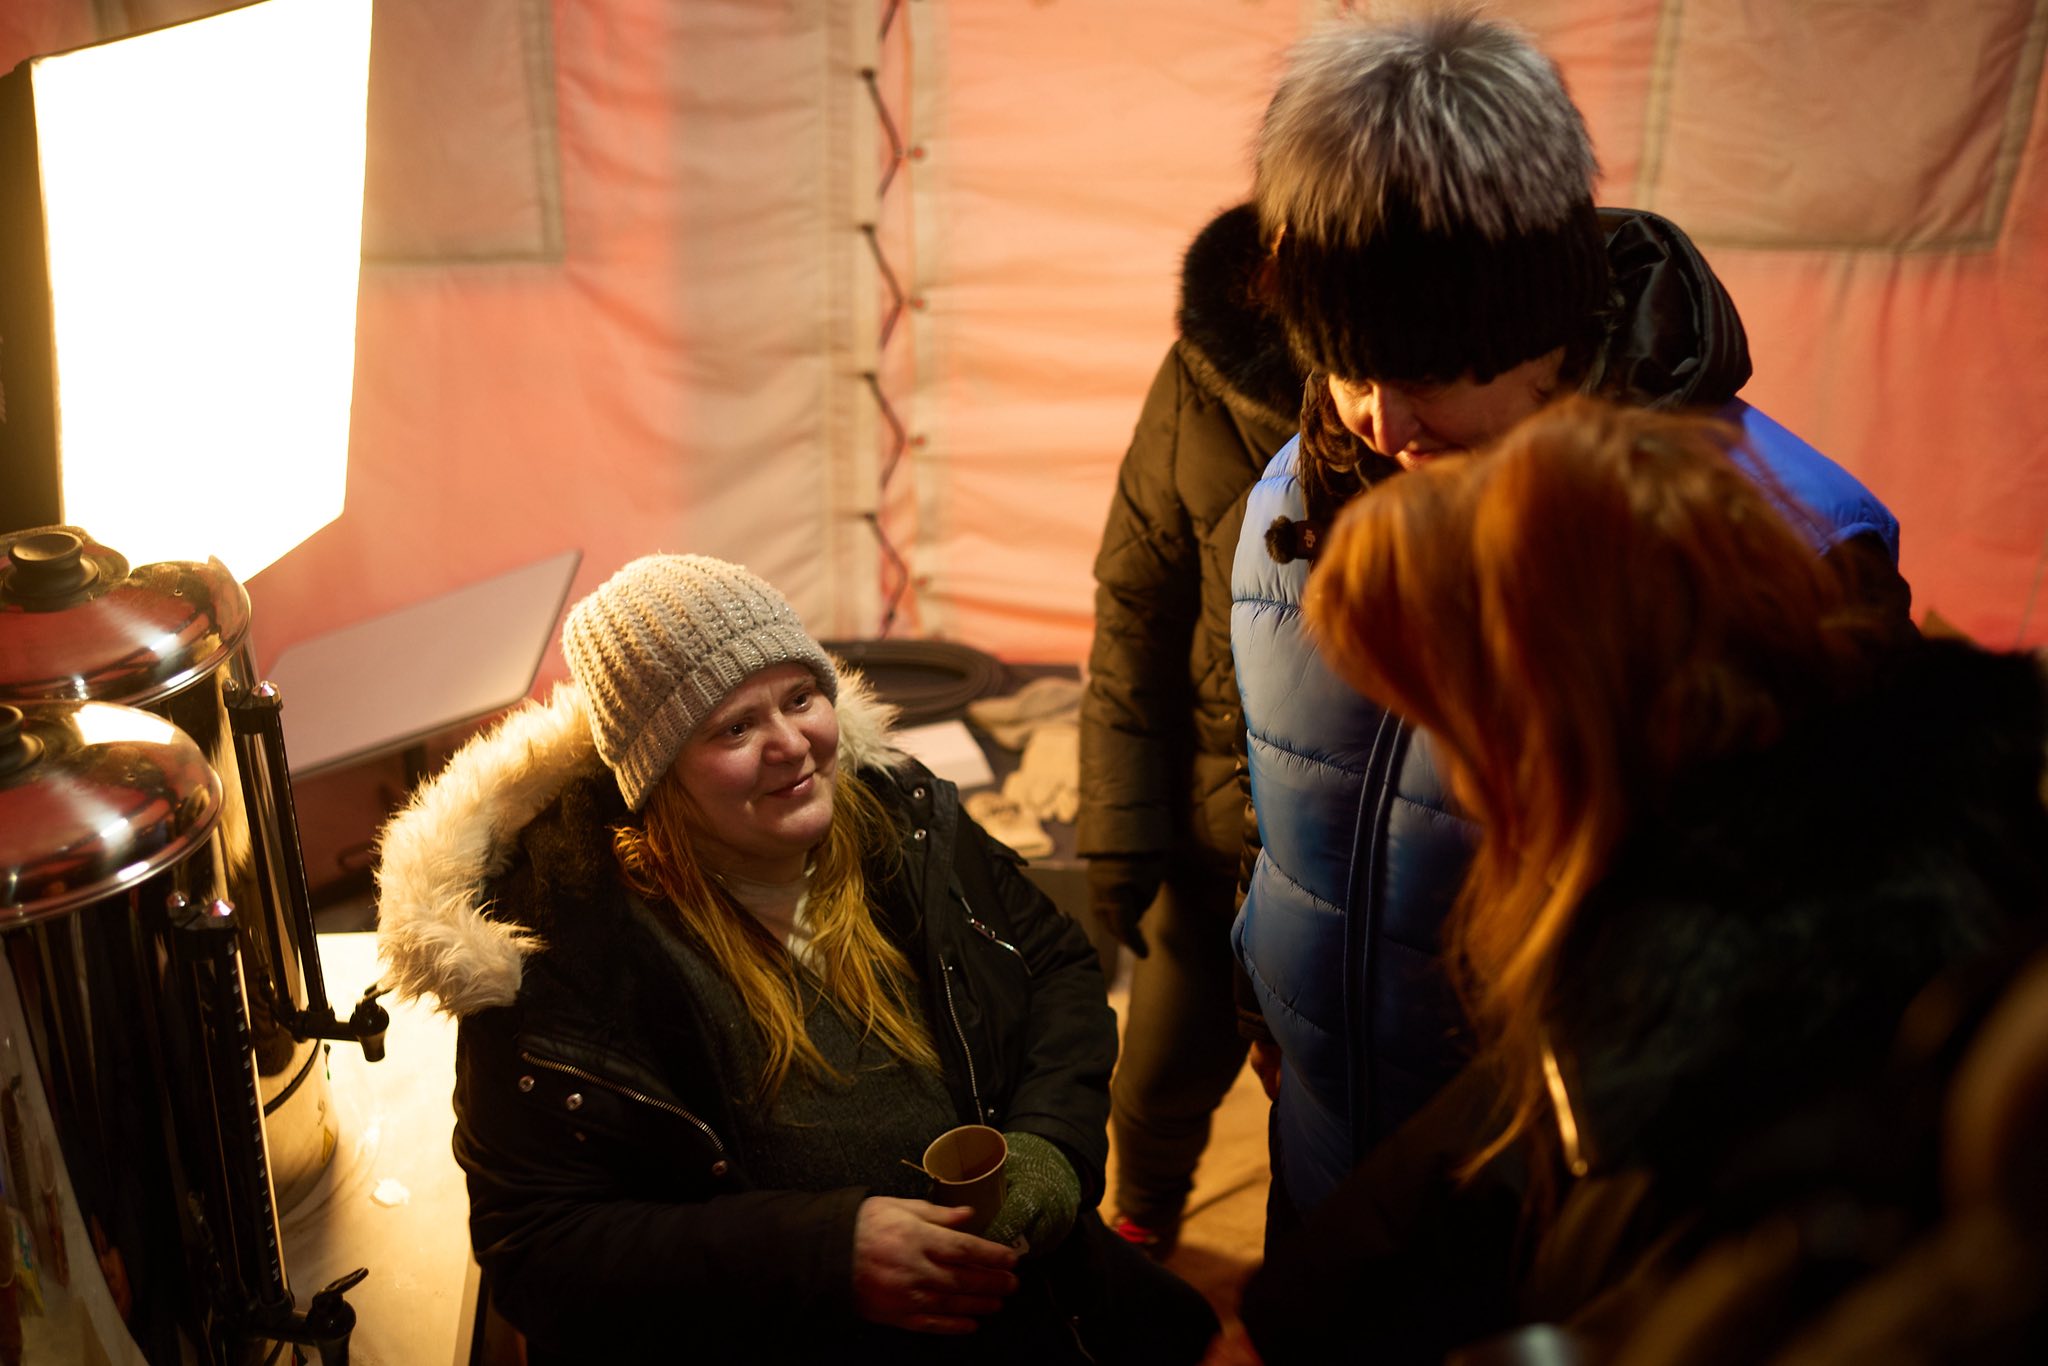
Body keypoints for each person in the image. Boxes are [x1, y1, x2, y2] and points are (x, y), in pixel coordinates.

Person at [1227, 9, 1913, 1238]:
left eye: (1422, 370)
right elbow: (1285, 786)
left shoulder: (1769, 547)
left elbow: (1820, 981)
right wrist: (1263, 990)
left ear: (1534, 317)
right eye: (1345, 363)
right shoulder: (1295, 491)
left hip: (1567, 1224)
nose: (1377, 419)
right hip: (1327, 1168)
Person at [1231, 397, 2047, 1364]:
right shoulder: (1720, 910)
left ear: (1570, 735)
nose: (1466, 780)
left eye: (1471, 728)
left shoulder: (1757, 1109)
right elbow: (1487, 1146)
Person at [375, 555, 1218, 1364]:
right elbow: (540, 1252)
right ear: (656, 771)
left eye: (801, 697)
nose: (793, 744)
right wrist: (824, 1257)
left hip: (1027, 1311)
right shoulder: (560, 950)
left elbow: (1056, 965)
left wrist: (1050, 1143)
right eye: (735, 727)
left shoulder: (901, 821)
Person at [1079, 201, 1304, 1256]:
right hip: (1216, 824)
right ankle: (1143, 1227)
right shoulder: (1199, 372)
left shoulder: (1438, 394)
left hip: (1373, 845)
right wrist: (1121, 826)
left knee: (1349, 1110)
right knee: (1159, 1074)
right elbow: (1136, 600)